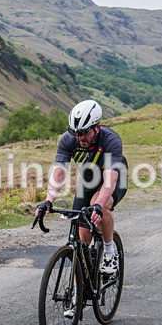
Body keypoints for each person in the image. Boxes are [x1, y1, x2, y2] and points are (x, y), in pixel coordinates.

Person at [37, 100, 128, 276]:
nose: (80, 138)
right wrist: (49, 200)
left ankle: (109, 251)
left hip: (114, 179)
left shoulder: (111, 140)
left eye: (85, 133)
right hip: (88, 181)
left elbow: (111, 178)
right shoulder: (68, 140)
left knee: (97, 204)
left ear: (97, 127)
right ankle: (79, 289)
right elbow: (59, 172)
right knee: (82, 240)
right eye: (76, 133)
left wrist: (99, 205)